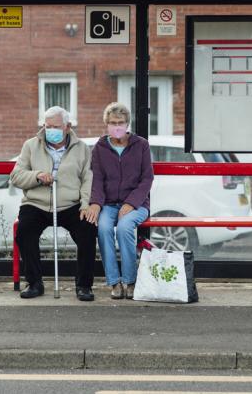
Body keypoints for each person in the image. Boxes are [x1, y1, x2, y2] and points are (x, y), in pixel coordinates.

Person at [11, 106, 97, 301]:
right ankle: (34, 283)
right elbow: (16, 176)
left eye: (56, 126)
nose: (50, 130)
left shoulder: (82, 148)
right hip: (37, 203)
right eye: (47, 126)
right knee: (25, 231)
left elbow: (87, 179)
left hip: (70, 204)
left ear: (67, 126)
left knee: (88, 229)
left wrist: (85, 204)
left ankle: (84, 285)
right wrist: (37, 176)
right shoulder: (31, 145)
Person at [85, 102, 153, 300]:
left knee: (124, 228)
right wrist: (96, 203)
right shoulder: (99, 148)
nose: (117, 126)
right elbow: (96, 178)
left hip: (137, 204)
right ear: (106, 124)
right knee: (103, 229)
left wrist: (131, 203)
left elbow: (147, 178)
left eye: (121, 122)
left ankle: (130, 281)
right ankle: (114, 282)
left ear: (127, 123)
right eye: (113, 122)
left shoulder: (141, 145)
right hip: (108, 203)